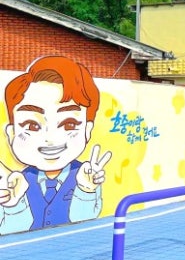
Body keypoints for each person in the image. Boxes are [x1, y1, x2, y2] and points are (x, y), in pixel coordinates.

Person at [0, 56, 111, 234]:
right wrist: (14, 206)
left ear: (87, 130)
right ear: (12, 133)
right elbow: (11, 233)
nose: (50, 139)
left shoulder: (86, 175)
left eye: (69, 124)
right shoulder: (15, 183)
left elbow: (85, 221)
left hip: (74, 248)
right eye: (31, 125)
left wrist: (86, 191)